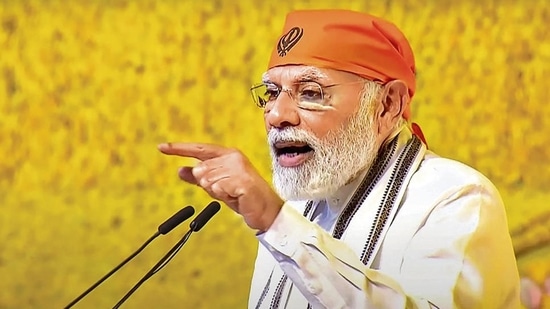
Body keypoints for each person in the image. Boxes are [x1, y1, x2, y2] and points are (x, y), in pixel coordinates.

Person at [158, 9, 520, 309]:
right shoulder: (299, 208)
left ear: (387, 105)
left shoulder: (457, 200)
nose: (276, 114)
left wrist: (275, 222)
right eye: (271, 92)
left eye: (311, 92)